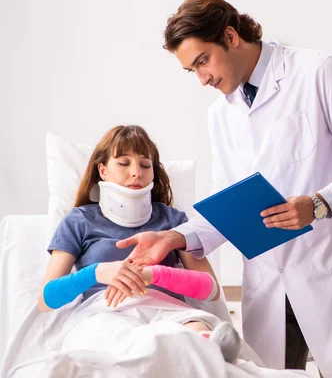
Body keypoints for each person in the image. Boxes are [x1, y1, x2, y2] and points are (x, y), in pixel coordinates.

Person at [117, 0, 332, 378]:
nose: (202, 78)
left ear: (231, 36)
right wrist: (175, 237)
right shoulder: (221, 114)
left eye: (203, 60)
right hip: (269, 280)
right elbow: (228, 204)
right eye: (192, 70)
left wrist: (319, 204)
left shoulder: (318, 72)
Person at [37, 125, 241, 363]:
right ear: (102, 170)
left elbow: (211, 288)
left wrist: (152, 275)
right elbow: (46, 299)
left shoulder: (173, 220)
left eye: (145, 165)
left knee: (193, 329)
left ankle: (206, 347)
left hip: (169, 311)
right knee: (120, 342)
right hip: (104, 313)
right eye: (124, 163)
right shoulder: (79, 220)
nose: (136, 173)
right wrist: (97, 273)